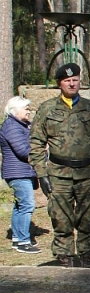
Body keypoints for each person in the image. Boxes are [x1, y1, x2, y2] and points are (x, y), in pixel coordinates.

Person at [29, 63, 90, 268]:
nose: (72, 83)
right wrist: (42, 174)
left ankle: (87, 256)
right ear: (60, 83)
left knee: (88, 218)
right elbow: (36, 142)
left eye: (75, 80)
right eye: (67, 80)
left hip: (88, 173)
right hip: (59, 174)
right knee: (60, 219)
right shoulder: (47, 109)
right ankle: (64, 255)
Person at [1, 96, 40, 253]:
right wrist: (43, 152)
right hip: (17, 172)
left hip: (23, 171)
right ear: (15, 110)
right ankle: (23, 241)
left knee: (20, 205)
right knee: (27, 204)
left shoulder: (22, 125)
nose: (29, 111)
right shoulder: (11, 127)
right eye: (26, 108)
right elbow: (23, 151)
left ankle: (17, 238)